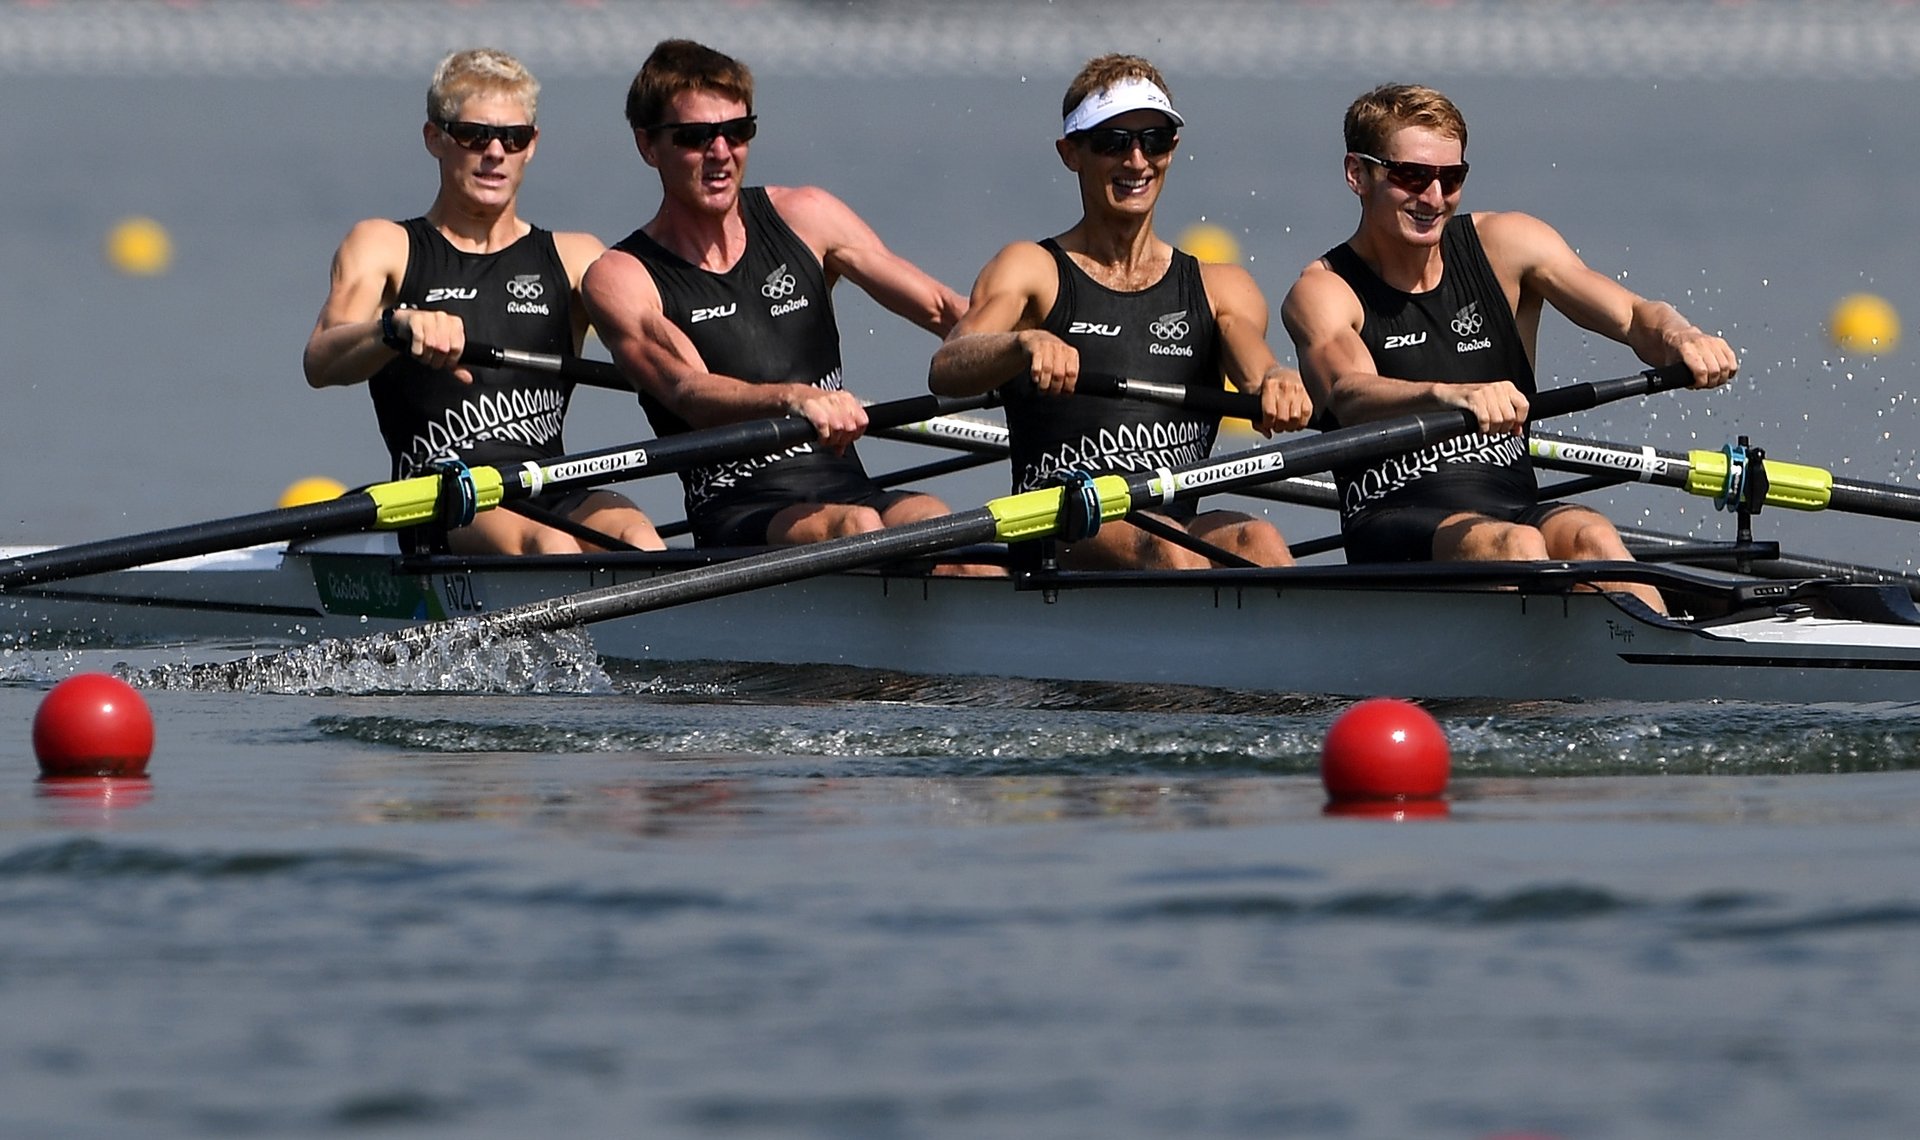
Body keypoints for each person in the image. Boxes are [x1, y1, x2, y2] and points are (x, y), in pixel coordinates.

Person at [1280, 82, 1738, 613]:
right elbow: (1346, 392)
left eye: (1451, 178)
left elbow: (1636, 316)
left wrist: (1681, 335)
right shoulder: (1324, 289)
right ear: (1358, 174)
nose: (1433, 197)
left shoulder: (1507, 247)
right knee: (1517, 546)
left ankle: (1668, 674)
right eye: (1411, 176)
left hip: (1512, 504)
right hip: (1392, 522)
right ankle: (1536, 694)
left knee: (1592, 535)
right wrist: (1452, 395)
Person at [582, 39, 991, 574]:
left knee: (937, 522)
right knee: (856, 528)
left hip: (846, 486)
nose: (721, 152)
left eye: (737, 131)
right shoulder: (622, 275)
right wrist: (794, 397)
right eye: (695, 137)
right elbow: (690, 392)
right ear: (648, 145)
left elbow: (943, 310)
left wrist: (1024, 346)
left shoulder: (806, 216)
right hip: (738, 510)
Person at [927, 54, 1314, 571]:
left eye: (1153, 139)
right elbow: (947, 368)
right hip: (1060, 521)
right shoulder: (1033, 270)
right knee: (1168, 547)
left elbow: (1254, 368)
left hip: (1173, 527)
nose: (1136, 161)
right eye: (1113, 142)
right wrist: (1023, 344)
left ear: (1172, 150)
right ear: (1071, 153)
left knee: (1259, 539)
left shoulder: (1221, 287)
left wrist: (1276, 380)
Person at [304, 47, 662, 556]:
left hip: (549, 487)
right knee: (551, 544)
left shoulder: (578, 256)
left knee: (638, 538)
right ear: (435, 139)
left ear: (531, 145)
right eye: (475, 135)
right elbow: (320, 360)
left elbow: (665, 350)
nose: (495, 152)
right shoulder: (385, 246)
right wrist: (395, 328)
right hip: (442, 499)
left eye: (512, 138)